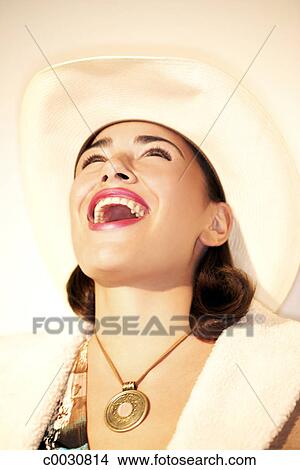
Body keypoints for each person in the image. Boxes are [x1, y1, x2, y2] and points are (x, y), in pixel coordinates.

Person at [1, 56, 300, 450]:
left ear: (216, 223)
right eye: (93, 160)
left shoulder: (289, 372)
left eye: (155, 153)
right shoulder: (6, 372)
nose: (113, 169)